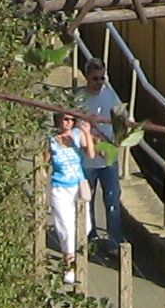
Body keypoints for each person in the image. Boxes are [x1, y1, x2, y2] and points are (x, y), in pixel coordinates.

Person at [73, 65, 128, 252]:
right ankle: (90, 239)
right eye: (95, 78)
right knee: (87, 200)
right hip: (88, 160)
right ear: (87, 77)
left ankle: (115, 243)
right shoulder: (79, 98)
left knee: (113, 200)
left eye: (102, 78)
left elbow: (122, 115)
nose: (99, 83)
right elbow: (77, 128)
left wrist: (118, 137)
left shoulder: (109, 95)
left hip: (108, 159)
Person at [47, 112, 91, 277]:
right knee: (65, 227)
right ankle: (70, 266)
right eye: (66, 119)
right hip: (60, 188)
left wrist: (86, 131)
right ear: (58, 120)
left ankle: (77, 258)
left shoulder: (77, 136)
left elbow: (90, 153)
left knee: (85, 226)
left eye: (72, 119)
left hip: (78, 187)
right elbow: (44, 162)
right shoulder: (52, 140)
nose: (69, 122)